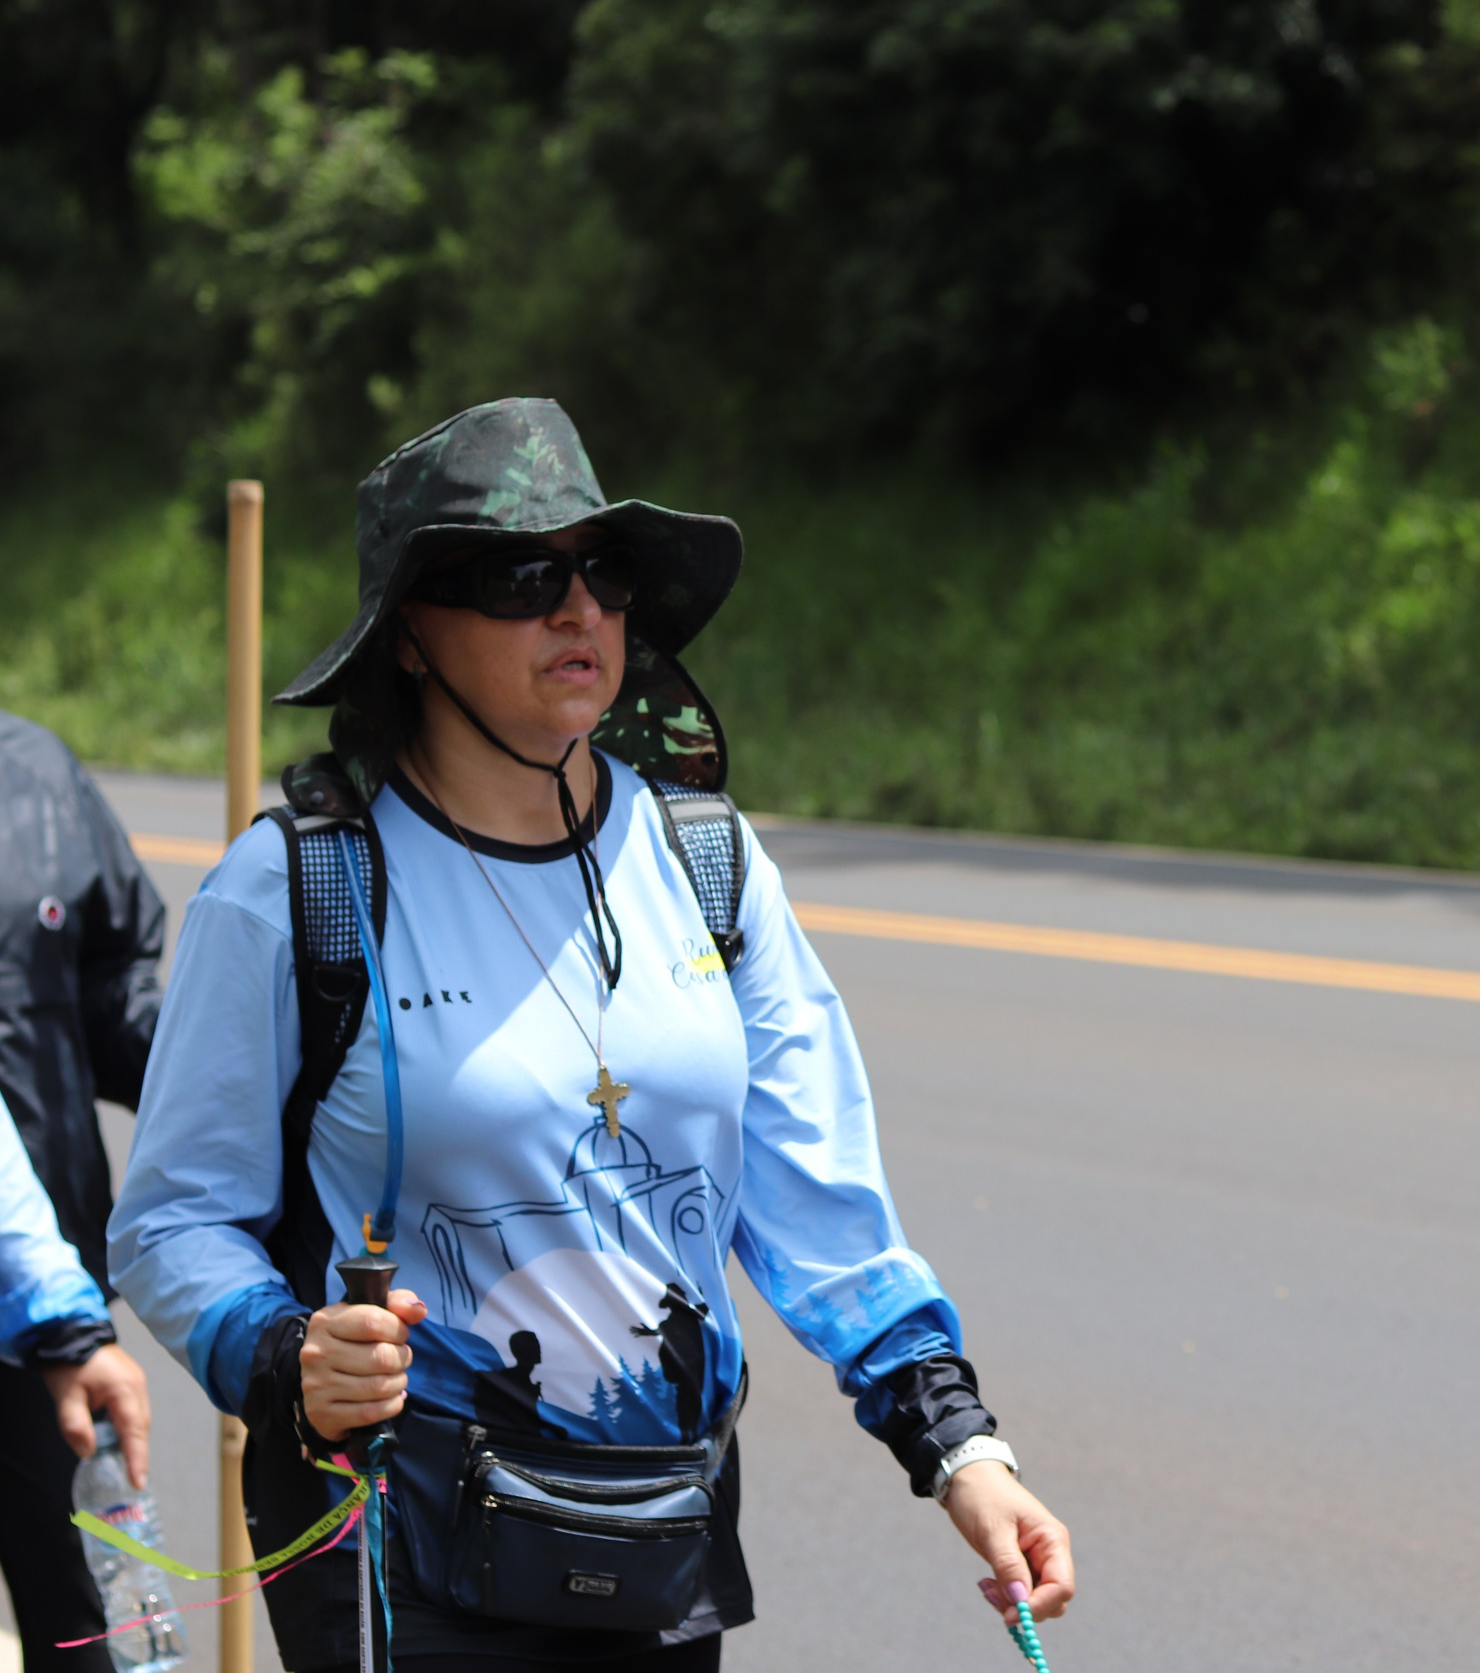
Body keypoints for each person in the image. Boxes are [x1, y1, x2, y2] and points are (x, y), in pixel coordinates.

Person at [109, 398, 1073, 1671]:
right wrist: (286, 1355)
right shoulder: (300, 889)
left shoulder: (708, 860)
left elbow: (821, 1206)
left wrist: (960, 1449)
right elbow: (171, 1219)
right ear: (409, 637)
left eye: (601, 572)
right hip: (395, 1545)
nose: (578, 611)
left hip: (656, 1534)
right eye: (519, 576)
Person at [0, 712, 163, 1671]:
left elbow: (119, 988)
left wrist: (240, 1087)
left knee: (85, 1622)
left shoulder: (37, 770)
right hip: (48, 1292)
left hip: (46, 1296)